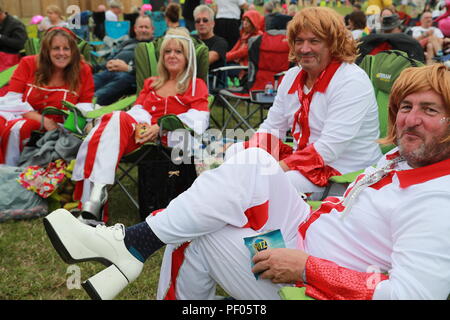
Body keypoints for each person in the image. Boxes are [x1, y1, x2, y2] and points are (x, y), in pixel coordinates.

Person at [44, 63, 450, 300]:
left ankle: (131, 247)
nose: (410, 119)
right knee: (249, 163)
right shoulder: (402, 158)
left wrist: (308, 268)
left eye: (429, 109)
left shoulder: (438, 202)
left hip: (308, 281)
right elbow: (273, 128)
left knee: (196, 230)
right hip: (303, 228)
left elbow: (411, 296)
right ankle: (132, 245)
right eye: (405, 107)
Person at [225, 7, 382, 197]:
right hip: (304, 160)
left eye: (314, 41)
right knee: (236, 154)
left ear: (333, 44)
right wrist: (249, 152)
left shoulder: (350, 80)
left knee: (271, 183)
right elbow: (272, 128)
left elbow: (328, 149)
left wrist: (276, 169)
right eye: (299, 41)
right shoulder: (292, 76)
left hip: (342, 172)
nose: (304, 49)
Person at [71, 28, 209, 223]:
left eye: (178, 52)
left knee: (107, 127)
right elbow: (138, 111)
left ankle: (94, 200)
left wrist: (160, 126)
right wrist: (144, 126)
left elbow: (199, 119)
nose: (172, 55)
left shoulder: (195, 85)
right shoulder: (152, 83)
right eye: (167, 51)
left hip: (169, 142)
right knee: (118, 117)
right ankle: (98, 194)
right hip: (140, 135)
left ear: (187, 57)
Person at [0, 27, 94, 165]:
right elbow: (12, 100)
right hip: (20, 115)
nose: (61, 53)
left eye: (66, 48)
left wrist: (72, 129)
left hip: (60, 127)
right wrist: (42, 120)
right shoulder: (29, 63)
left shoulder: (82, 70)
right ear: (46, 50)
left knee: (27, 127)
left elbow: (84, 105)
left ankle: (16, 173)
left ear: (73, 51)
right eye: (56, 48)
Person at [93, 15, 154, 106]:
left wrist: (128, 68)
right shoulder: (127, 42)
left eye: (146, 27)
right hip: (110, 71)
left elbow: (150, 69)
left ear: (152, 29)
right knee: (92, 81)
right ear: (135, 29)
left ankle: (91, 103)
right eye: (141, 27)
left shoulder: (153, 46)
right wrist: (109, 63)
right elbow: (112, 55)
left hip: (131, 77)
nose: (143, 30)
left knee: (109, 88)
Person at [226, 10, 263, 80]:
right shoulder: (244, 34)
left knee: (221, 67)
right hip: (238, 64)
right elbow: (233, 50)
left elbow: (241, 53)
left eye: (248, 21)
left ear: (254, 23)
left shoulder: (257, 37)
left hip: (247, 68)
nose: (244, 23)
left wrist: (223, 57)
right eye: (243, 20)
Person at [193, 5, 228, 73]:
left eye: (205, 20)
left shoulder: (220, 42)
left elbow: (204, 61)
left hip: (210, 81)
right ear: (195, 25)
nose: (201, 23)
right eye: (198, 21)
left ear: (213, 23)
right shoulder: (191, 38)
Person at [0, 6, 28, 72]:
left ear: (0, 14)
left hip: (12, 59)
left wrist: (1, 37)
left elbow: (20, 44)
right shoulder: (2, 22)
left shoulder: (16, 24)